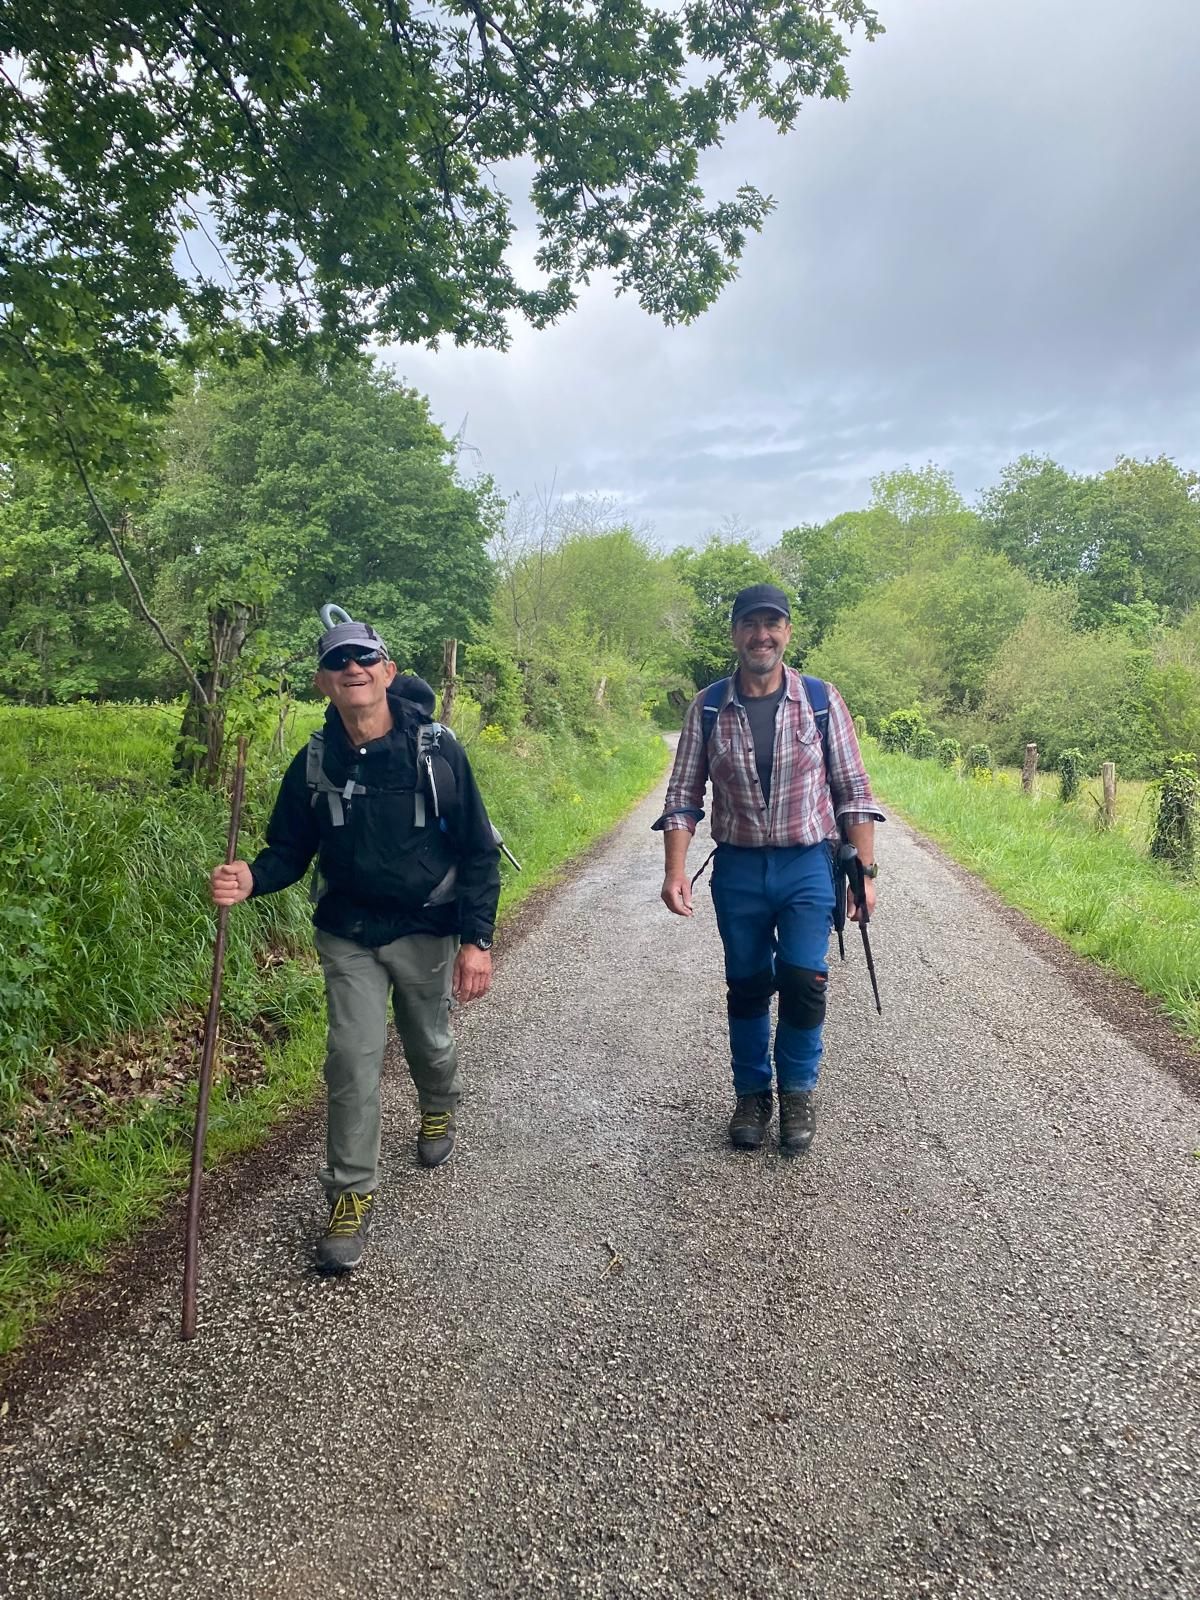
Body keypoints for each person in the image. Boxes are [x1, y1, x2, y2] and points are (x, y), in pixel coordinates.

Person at [211, 609, 500, 1272]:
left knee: (429, 1040)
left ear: (387, 671)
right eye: (339, 662)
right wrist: (249, 876)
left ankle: (438, 1105)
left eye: (365, 659)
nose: (353, 670)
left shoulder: (436, 750)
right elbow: (288, 850)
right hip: (348, 931)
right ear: (323, 682)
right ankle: (349, 1195)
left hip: (425, 926)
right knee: (351, 1057)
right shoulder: (313, 759)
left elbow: (478, 851)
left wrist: (477, 940)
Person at [654, 583, 883, 1156]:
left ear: (787, 631)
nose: (763, 635)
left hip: (808, 864)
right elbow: (683, 794)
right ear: (734, 634)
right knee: (749, 984)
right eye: (751, 625)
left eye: (772, 624)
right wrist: (675, 871)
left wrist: (867, 873)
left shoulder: (822, 701)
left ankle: (798, 1094)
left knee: (806, 982)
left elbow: (853, 789)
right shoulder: (708, 707)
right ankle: (752, 1094)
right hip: (737, 869)